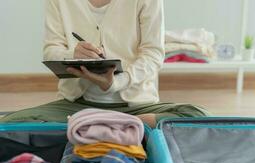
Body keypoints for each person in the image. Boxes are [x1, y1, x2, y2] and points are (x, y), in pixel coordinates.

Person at [0, 0, 209, 127]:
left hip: (136, 107)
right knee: (7, 124)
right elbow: (51, 50)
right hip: (76, 106)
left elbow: (153, 54)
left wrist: (116, 83)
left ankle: (88, 128)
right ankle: (120, 129)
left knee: (198, 115)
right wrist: (72, 52)